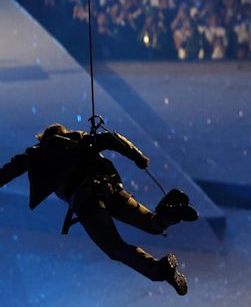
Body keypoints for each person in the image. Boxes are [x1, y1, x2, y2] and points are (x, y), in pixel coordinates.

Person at [0, 123, 198, 296]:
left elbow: (11, 169)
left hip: (85, 198)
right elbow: (110, 138)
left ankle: (159, 270)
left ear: (44, 138)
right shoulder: (79, 138)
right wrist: (137, 156)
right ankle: (169, 212)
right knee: (153, 224)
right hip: (110, 188)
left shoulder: (37, 152)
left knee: (115, 247)